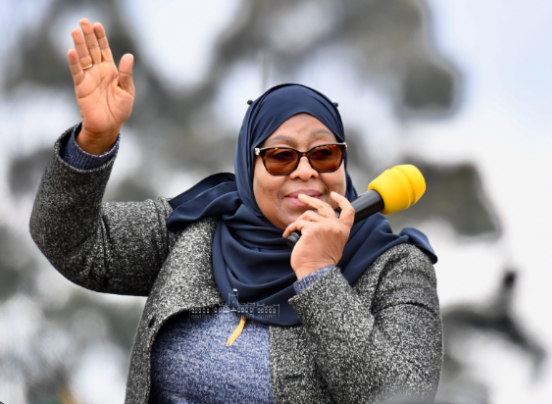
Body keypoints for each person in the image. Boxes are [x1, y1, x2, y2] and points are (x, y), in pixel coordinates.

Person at [30, 18, 442, 404]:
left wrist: (319, 275)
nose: (305, 171)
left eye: (324, 153)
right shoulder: (198, 227)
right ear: (248, 166)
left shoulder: (396, 268)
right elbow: (68, 242)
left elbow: (404, 397)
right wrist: (94, 140)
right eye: (280, 156)